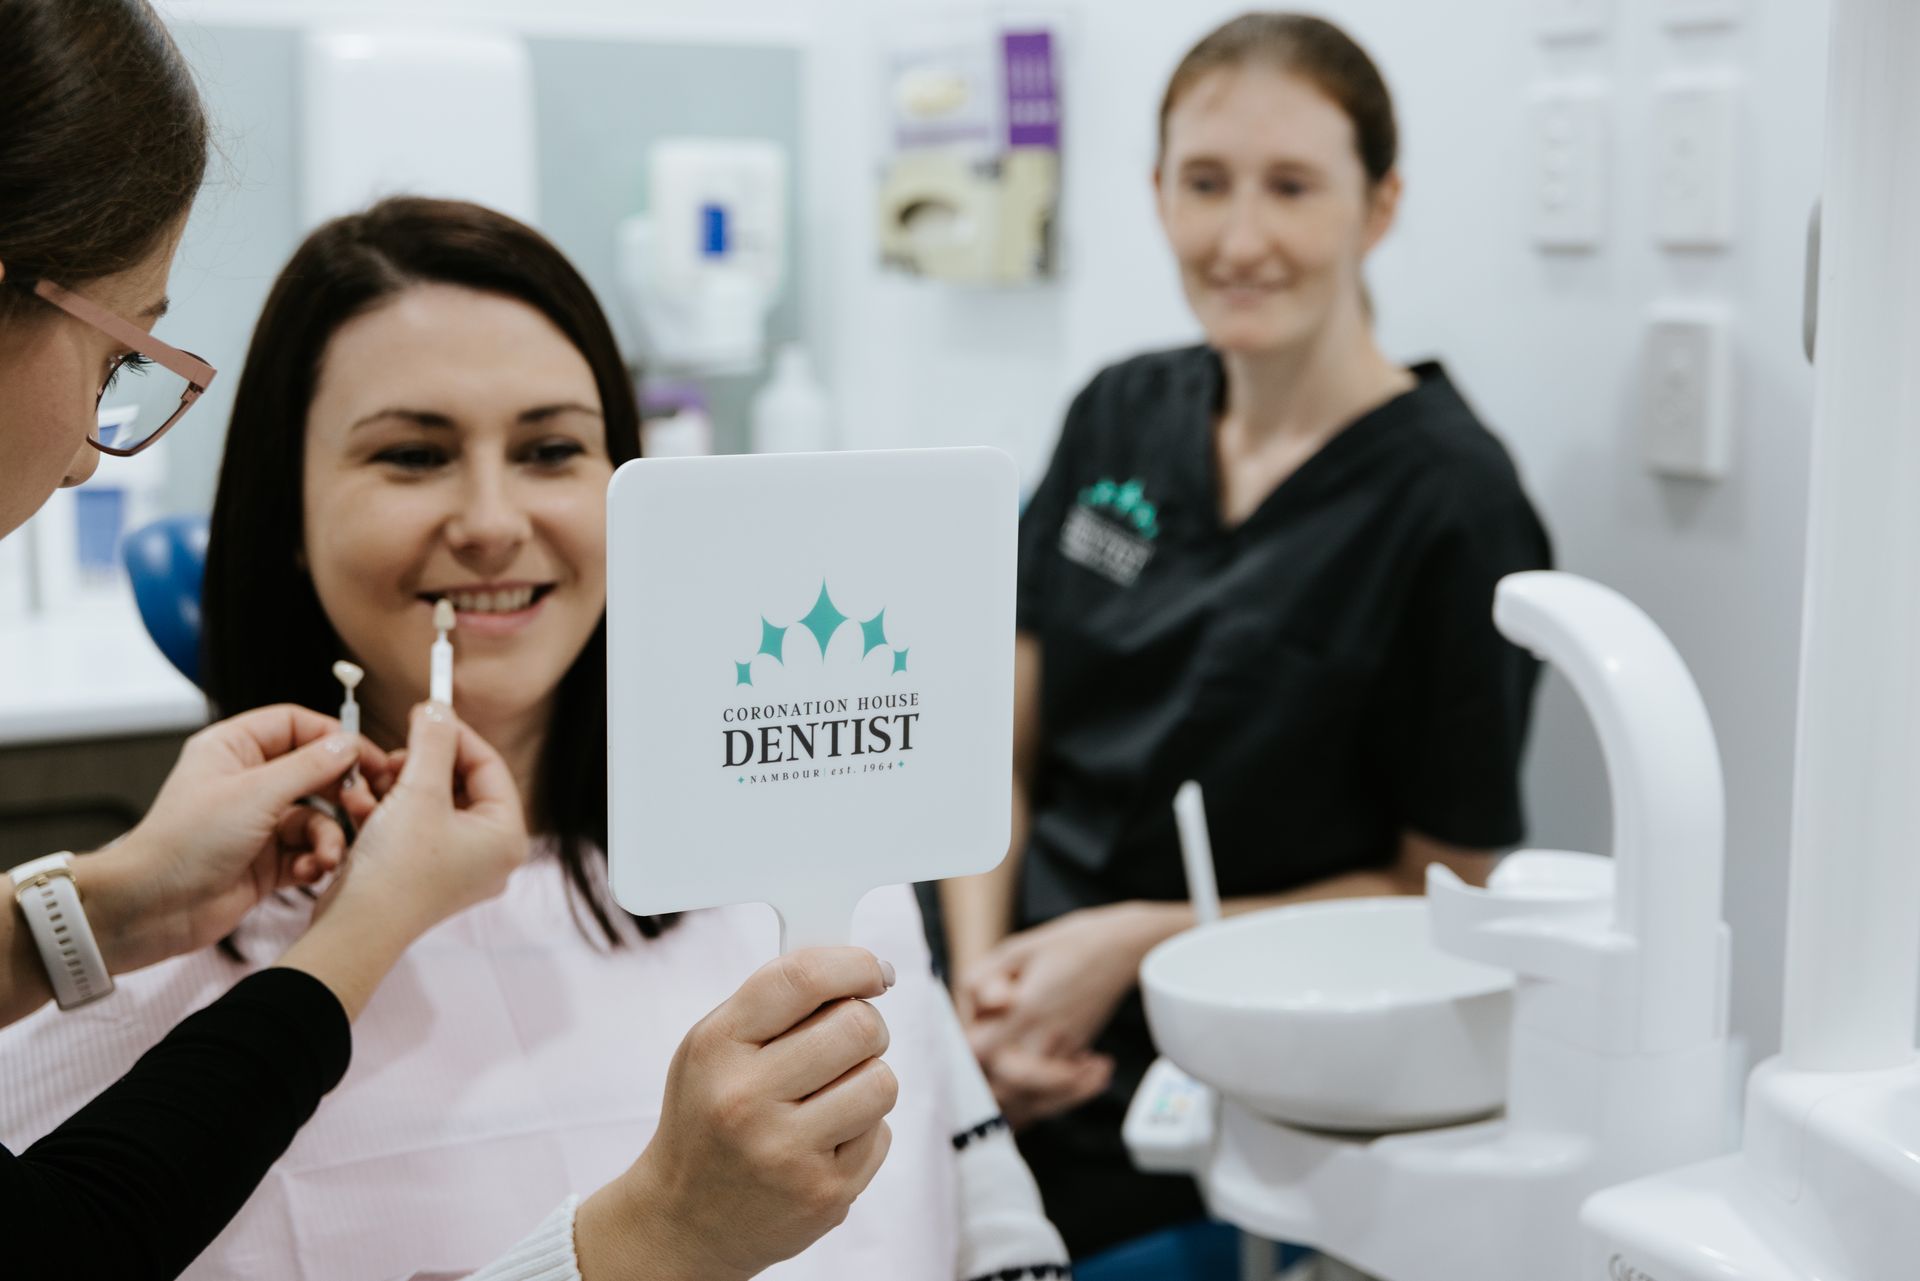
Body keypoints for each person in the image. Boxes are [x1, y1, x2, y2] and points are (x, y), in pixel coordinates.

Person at [0, 195, 1068, 1281]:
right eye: (413, 456)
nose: (494, 520)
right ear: (286, 513)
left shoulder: (816, 850)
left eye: (553, 448)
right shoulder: (141, 974)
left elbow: (979, 1196)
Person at [941, 11, 1554, 1263]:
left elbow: (1448, 887)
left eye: (1292, 187)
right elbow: (987, 738)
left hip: (1227, 1057)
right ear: (1156, 192)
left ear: (1379, 207)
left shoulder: (1455, 507)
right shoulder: (1119, 411)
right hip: (986, 972)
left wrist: (1126, 947)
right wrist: (982, 983)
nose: (1241, 239)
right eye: (1204, 183)